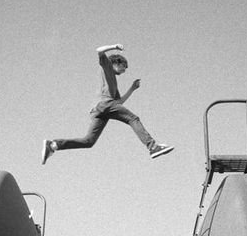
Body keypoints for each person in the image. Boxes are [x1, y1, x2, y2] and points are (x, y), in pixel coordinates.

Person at [41, 43, 174, 164]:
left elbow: (119, 102)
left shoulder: (113, 84)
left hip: (100, 110)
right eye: (124, 67)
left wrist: (132, 89)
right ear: (117, 63)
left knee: (89, 141)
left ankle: (53, 145)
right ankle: (153, 147)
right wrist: (115, 46)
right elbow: (99, 50)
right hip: (105, 105)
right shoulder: (107, 66)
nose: (124, 70)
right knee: (133, 118)